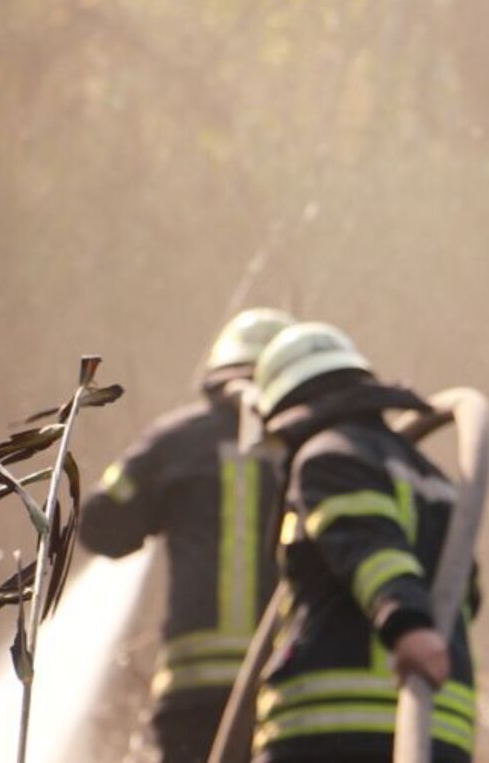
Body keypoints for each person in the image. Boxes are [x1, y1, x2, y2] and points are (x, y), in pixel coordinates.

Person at [251, 321, 480, 762]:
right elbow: (464, 590)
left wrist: (406, 624)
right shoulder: (430, 475)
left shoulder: (327, 456)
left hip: (335, 729)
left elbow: (367, 544)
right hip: (441, 722)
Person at [78, 307, 296, 763]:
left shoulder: (177, 440)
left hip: (197, 692)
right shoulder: (319, 445)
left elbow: (100, 526)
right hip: (292, 682)